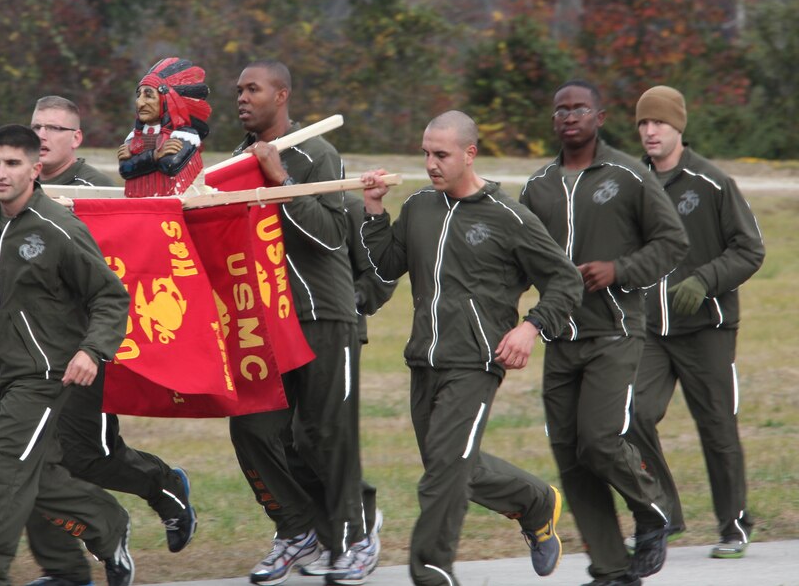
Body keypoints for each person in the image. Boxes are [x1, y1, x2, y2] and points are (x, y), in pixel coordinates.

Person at [358, 111, 581, 586]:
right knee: (455, 467)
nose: (430, 163)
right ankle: (536, 503)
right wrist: (375, 211)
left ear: (469, 154)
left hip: (476, 364)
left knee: (441, 477)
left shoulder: (509, 217)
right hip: (424, 360)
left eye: (441, 155)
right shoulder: (419, 207)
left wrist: (531, 327)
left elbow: (565, 280)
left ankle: (433, 571)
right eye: (425, 153)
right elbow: (383, 270)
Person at [0, 125, 134, 586]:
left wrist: (93, 351)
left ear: (35, 169)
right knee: (33, 479)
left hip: (44, 375)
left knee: (0, 470)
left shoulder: (58, 228)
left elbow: (111, 296)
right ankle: (107, 525)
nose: (1, 173)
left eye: (13, 163)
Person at [519, 80, 689, 586]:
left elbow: (672, 241)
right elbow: (522, 262)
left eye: (579, 108)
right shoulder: (538, 186)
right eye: (560, 109)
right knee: (571, 458)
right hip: (560, 337)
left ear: (600, 115)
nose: (569, 116)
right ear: (554, 120)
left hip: (615, 331)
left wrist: (621, 270)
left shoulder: (629, 175)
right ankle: (612, 568)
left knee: (599, 440)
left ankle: (654, 507)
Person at [24, 97, 197, 586]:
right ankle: (64, 569)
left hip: (86, 349)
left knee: (88, 456)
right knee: (27, 458)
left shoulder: (96, 188)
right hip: (27, 351)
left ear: (75, 138)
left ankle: (163, 486)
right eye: (36, 125)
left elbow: (126, 269)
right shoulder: (17, 183)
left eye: (55, 128)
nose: (42, 135)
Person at [228, 60, 373, 586]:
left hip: (320, 312)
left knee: (323, 433)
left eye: (253, 89)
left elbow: (330, 234)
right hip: (261, 320)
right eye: (238, 90)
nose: (242, 98)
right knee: (252, 428)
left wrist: (280, 180)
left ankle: (357, 536)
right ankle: (298, 529)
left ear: (281, 95)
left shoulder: (316, 152)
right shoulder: (235, 162)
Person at [627, 86, 764, 559]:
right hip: (648, 332)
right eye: (643, 123)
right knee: (631, 416)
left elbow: (750, 249)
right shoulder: (628, 181)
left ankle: (734, 527)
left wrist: (705, 280)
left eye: (658, 123)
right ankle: (663, 514)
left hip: (708, 329)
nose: (649, 131)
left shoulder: (713, 183)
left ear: (679, 127)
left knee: (717, 428)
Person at [297, 193, 395, 578]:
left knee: (327, 436)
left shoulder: (346, 205)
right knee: (295, 439)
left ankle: (360, 527)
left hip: (335, 330)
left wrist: (348, 300)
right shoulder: (278, 201)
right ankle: (332, 536)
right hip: (289, 332)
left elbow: (380, 273)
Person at [118, 58, 211, 197]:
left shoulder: (185, 135)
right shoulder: (135, 135)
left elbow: (168, 165)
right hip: (138, 203)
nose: (140, 103)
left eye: (148, 96)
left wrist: (138, 158)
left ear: (167, 100)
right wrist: (155, 155)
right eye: (139, 95)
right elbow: (126, 169)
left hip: (180, 209)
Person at [32, 96, 116, 187]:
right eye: (36, 127)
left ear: (76, 138)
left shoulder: (97, 188)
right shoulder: (19, 182)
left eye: (53, 128)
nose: (40, 136)